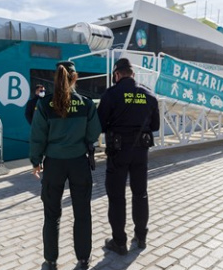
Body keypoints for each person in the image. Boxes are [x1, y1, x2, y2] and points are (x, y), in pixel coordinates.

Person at [29, 61, 101, 270]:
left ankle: (51, 261)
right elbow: (94, 132)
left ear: (56, 77)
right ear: (75, 78)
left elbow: (37, 136)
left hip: (53, 165)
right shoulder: (86, 103)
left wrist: (36, 161)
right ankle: (83, 259)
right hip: (79, 162)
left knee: (51, 214)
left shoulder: (45, 104)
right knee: (82, 212)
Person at [97, 58, 160, 255]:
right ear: (133, 74)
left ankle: (119, 242)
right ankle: (140, 237)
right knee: (140, 193)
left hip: (118, 152)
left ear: (117, 74)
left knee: (117, 197)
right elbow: (156, 126)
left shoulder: (111, 94)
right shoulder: (149, 95)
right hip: (141, 151)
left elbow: (99, 124)